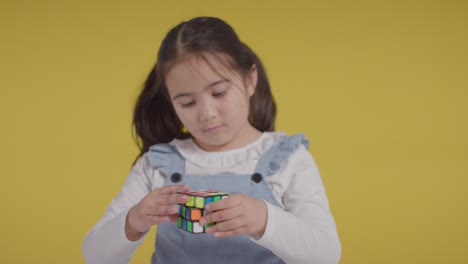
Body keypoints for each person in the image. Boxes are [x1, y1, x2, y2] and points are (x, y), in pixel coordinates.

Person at [82, 16, 341, 264]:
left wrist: (265, 219)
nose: (207, 114)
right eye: (187, 102)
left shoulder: (288, 160)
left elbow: (326, 255)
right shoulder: (156, 165)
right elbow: (95, 256)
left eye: (219, 92)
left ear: (250, 80)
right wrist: (132, 221)